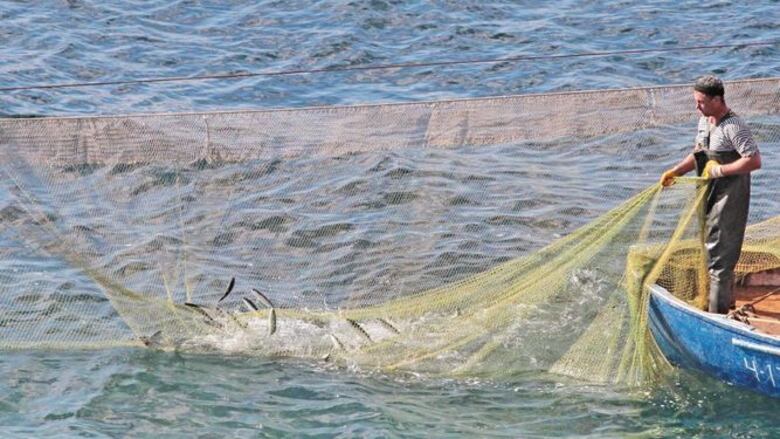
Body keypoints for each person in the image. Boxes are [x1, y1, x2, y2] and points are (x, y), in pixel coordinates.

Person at [659, 75, 762, 314]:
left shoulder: (733, 126)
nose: (697, 107)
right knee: (712, 250)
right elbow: (698, 154)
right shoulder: (704, 122)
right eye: (696, 101)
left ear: (718, 99)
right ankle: (729, 302)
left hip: (730, 196)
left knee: (720, 260)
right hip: (708, 195)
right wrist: (675, 172)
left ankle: (718, 318)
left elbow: (754, 160)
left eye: (701, 102)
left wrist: (720, 170)